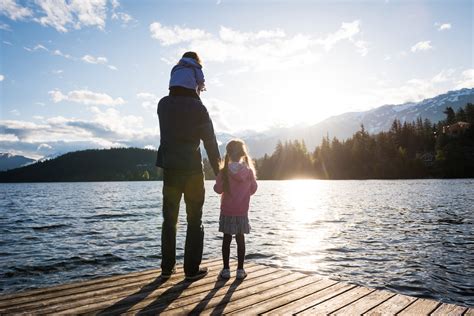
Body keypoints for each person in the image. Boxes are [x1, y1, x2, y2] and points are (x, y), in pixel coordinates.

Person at [156, 52, 220, 281]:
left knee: (169, 221)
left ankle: (166, 268)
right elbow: (211, 143)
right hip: (193, 172)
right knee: (195, 221)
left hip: (171, 171)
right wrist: (220, 173)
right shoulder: (198, 109)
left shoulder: (163, 105)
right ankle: (191, 270)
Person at [213, 139, 258, 280]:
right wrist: (244, 194)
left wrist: (217, 185)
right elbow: (254, 189)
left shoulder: (224, 172)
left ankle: (226, 270)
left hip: (227, 211)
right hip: (242, 211)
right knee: (240, 239)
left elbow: (218, 189)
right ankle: (240, 270)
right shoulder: (248, 171)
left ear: (228, 154)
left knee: (226, 239)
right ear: (242, 154)